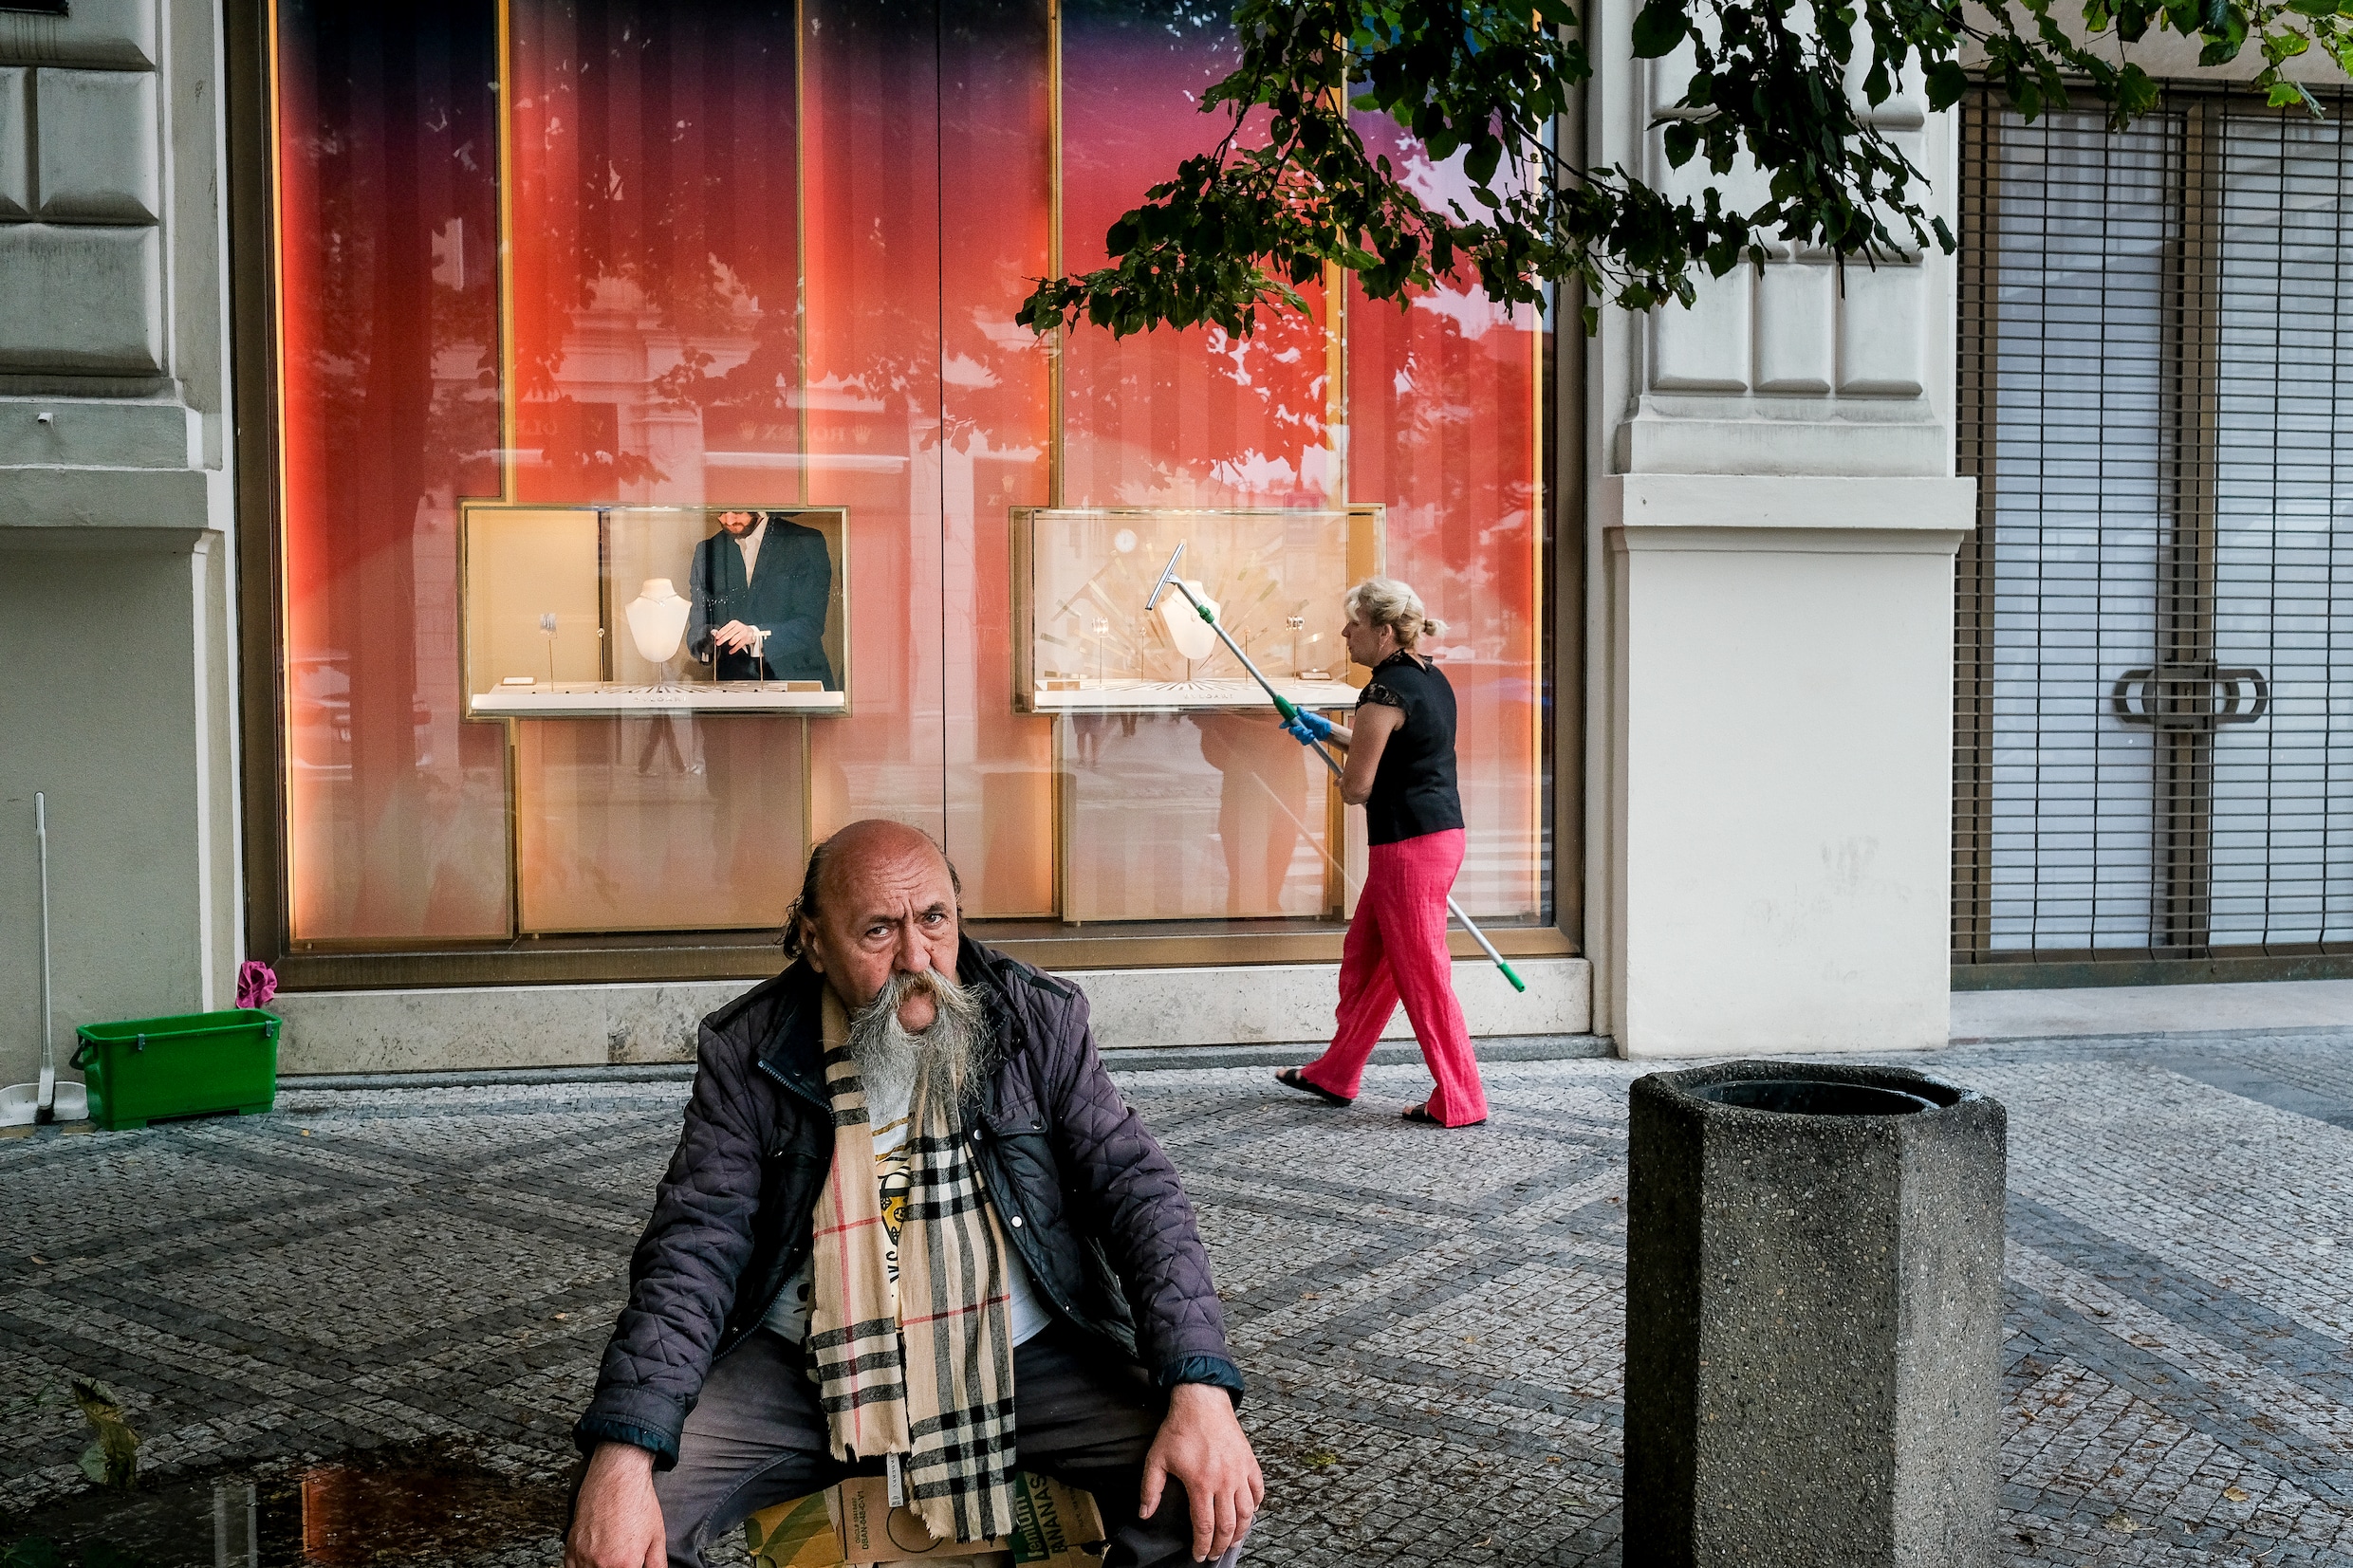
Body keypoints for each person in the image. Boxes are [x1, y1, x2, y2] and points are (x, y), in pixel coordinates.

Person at [565, 820, 1262, 1568]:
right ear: (813, 939)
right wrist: (626, 1446)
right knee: (620, 1524)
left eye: (934, 919)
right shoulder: (752, 1050)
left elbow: (1139, 1195)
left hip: (1019, 1349)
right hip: (804, 1367)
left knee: (1201, 1490)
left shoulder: (1036, 1021)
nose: (916, 957)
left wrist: (1199, 1385)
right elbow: (692, 1246)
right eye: (877, 930)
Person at [1270, 579, 1489, 1129]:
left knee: (1423, 974)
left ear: (1383, 630)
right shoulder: (1429, 678)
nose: (1346, 632)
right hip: (1436, 837)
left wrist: (1333, 753)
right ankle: (1336, 1071)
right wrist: (1330, 731)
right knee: (1369, 955)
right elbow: (1397, 747)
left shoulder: (1381, 692)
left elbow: (1358, 788)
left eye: (1354, 623)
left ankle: (1461, 1097)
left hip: (1407, 846)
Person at [687, 508, 836, 687]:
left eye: (737, 511)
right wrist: (709, 636)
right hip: (732, 687)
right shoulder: (707, 550)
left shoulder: (804, 541)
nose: (728, 519)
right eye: (721, 512)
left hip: (797, 680)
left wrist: (755, 634)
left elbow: (811, 624)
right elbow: (696, 626)